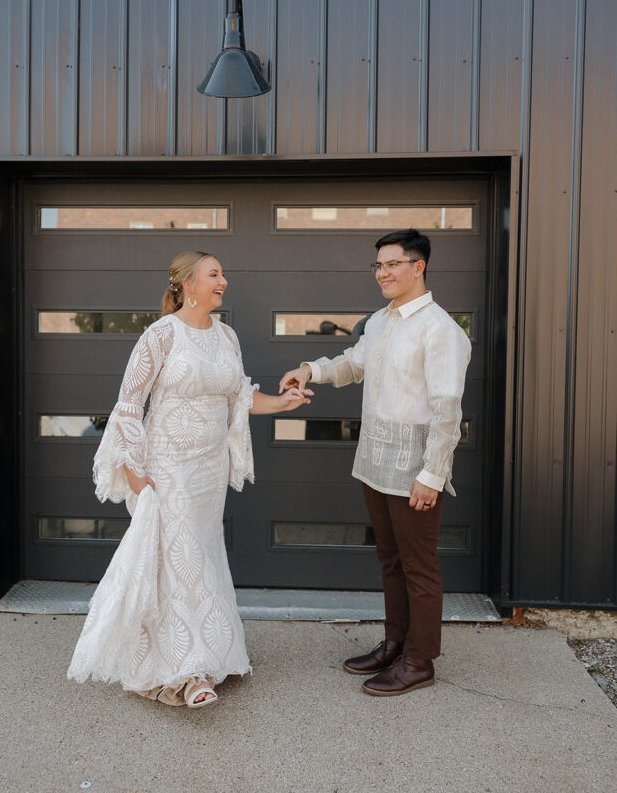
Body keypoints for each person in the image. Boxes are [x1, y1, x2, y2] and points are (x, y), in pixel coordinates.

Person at [68, 251, 311, 708]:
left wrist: (284, 403)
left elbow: (241, 396)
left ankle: (210, 653)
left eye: (222, 274)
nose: (224, 281)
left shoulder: (228, 336)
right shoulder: (160, 335)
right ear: (186, 284)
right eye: (214, 274)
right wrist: (136, 476)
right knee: (178, 558)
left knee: (200, 553)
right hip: (167, 465)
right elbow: (127, 406)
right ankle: (188, 671)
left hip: (208, 469)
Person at [279, 229, 471, 697]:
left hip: (414, 470)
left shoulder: (441, 330)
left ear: (418, 266)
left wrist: (432, 474)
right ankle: (395, 644)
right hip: (374, 462)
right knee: (390, 560)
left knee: (418, 566)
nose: (382, 273)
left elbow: (448, 412)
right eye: (378, 266)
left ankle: (419, 661)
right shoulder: (381, 322)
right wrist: (310, 371)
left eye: (392, 264)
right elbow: (352, 363)